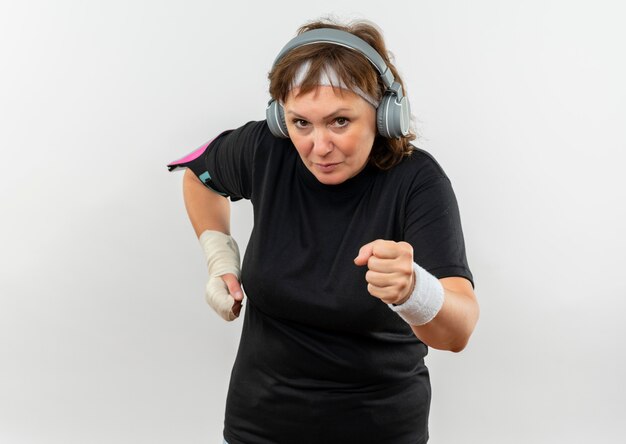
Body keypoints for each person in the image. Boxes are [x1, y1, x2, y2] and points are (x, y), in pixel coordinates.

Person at [168, 18, 479, 444]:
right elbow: (197, 176)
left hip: (378, 430)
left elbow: (459, 331)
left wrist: (414, 291)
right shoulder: (265, 150)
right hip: (259, 426)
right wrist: (219, 256)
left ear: (384, 114)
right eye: (301, 123)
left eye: (339, 122)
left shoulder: (417, 182)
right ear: (280, 118)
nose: (319, 146)